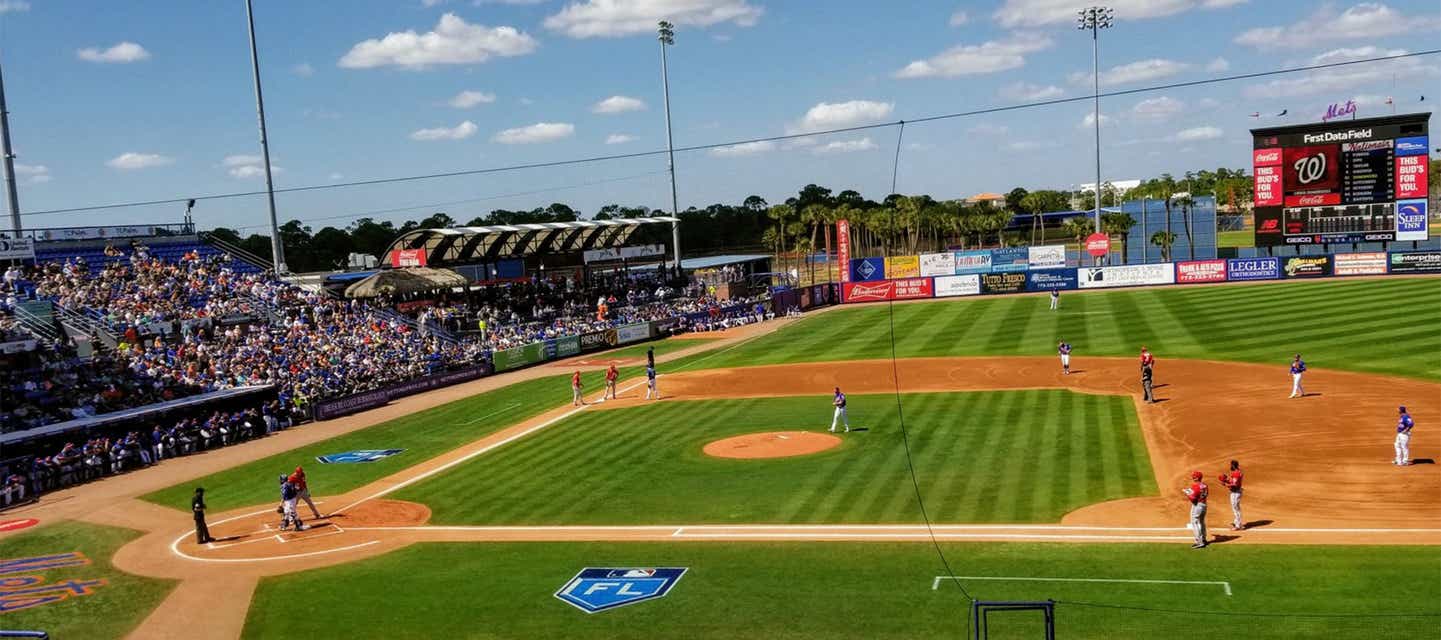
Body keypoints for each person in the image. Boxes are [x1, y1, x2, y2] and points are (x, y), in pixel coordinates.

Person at [1183, 471, 1208, 549]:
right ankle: (1204, 539)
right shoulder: (1205, 486)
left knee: (1194, 522)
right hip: (1204, 505)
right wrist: (1190, 491)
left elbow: (1193, 499)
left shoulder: (1195, 486)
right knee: (1202, 522)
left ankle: (1199, 541)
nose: (1193, 477)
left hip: (1197, 506)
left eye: (1194, 476)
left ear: (1197, 478)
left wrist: (1187, 494)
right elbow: (1204, 494)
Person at [1218, 460, 1244, 531]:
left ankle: (1238, 525)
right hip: (1236, 492)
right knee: (1236, 508)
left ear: (1233, 465)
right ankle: (1237, 522)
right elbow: (1233, 482)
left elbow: (1234, 485)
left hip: (1236, 493)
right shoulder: (1238, 472)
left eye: (1231, 465)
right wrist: (1226, 480)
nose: (1230, 466)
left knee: (1236, 509)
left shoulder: (1236, 473)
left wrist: (1225, 484)